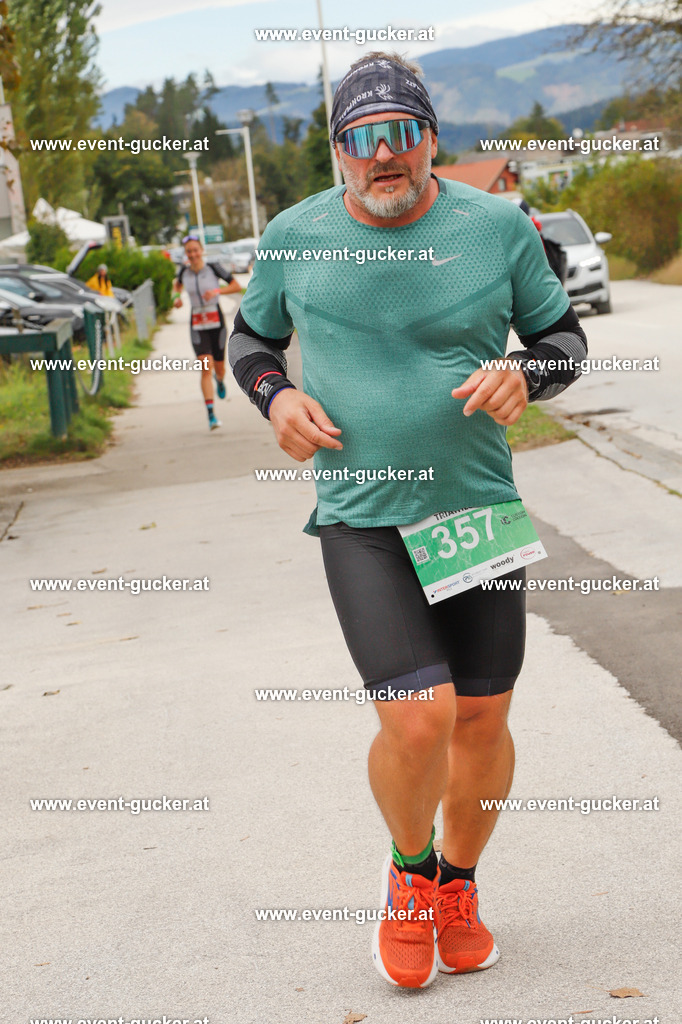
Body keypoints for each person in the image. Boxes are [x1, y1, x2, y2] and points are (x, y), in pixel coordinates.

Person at [229, 52, 588, 989]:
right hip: (362, 515)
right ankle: (410, 873)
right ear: (339, 150)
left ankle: (458, 886)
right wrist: (274, 396)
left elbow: (562, 335)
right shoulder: (295, 235)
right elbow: (252, 337)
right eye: (362, 138)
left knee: (482, 718)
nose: (383, 155)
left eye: (401, 133)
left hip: (475, 508)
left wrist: (529, 373)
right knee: (421, 720)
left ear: (430, 138)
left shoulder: (496, 227)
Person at [173, 234, 241, 430]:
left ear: (201, 251)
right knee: (205, 366)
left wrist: (217, 292)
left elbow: (236, 286)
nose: (193, 254)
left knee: (219, 368)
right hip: (197, 323)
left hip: (216, 321)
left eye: (195, 250)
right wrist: (177, 298)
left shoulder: (213, 267)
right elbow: (177, 285)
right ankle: (211, 414)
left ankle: (219, 380)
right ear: (186, 254)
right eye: (189, 251)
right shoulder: (183, 271)